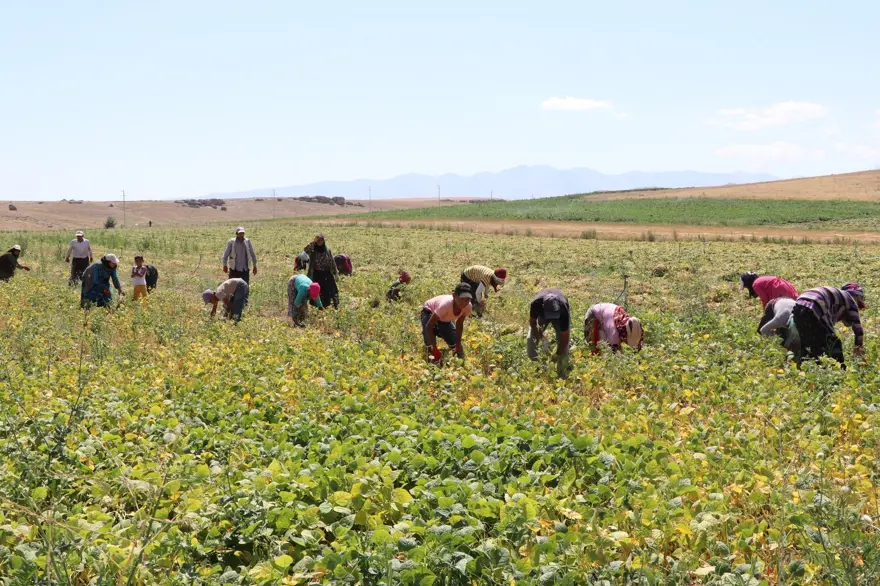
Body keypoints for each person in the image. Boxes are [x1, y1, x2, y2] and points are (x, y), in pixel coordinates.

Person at [791, 283, 865, 368]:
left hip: (799, 305)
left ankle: (805, 369)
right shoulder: (851, 301)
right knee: (832, 343)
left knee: (809, 342)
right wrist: (858, 349)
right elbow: (858, 330)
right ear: (858, 297)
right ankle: (839, 371)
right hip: (816, 304)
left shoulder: (837, 299)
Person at [422, 283, 473, 363]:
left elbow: (459, 324)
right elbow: (429, 325)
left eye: (467, 299)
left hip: (444, 318)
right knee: (429, 344)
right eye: (461, 298)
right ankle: (430, 350)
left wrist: (458, 344)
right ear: (454, 295)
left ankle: (440, 331)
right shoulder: (445, 305)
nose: (464, 302)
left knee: (454, 343)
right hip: (429, 311)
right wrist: (434, 348)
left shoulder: (468, 307)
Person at [528, 289, 572, 377]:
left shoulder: (563, 309)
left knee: (564, 350)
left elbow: (565, 338)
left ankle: (561, 372)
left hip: (560, 317)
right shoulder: (536, 304)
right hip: (542, 315)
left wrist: (557, 355)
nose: (552, 319)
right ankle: (535, 367)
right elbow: (533, 323)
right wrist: (542, 338)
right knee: (531, 339)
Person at [303, 233, 340, 309]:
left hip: (327, 273)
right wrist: (313, 242)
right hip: (317, 274)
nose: (320, 242)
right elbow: (305, 250)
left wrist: (335, 272)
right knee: (318, 291)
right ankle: (319, 307)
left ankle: (331, 306)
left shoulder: (327, 250)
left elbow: (332, 261)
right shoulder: (313, 251)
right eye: (318, 240)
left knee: (330, 290)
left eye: (321, 240)